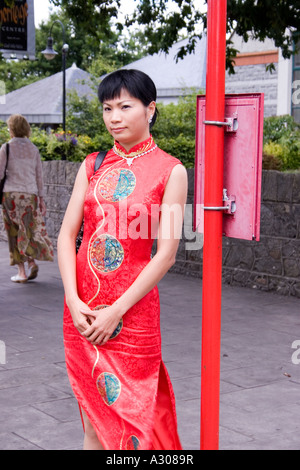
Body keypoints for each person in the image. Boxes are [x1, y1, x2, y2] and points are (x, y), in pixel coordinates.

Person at [57, 69, 188, 450]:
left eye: (125, 106)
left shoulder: (171, 171)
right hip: (81, 312)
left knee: (134, 423)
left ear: (150, 110)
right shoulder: (92, 165)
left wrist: (117, 310)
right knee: (94, 424)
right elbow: (66, 236)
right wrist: (72, 299)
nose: (114, 117)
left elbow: (166, 255)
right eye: (107, 108)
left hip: (132, 318)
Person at [0, 114, 54, 283]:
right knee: (28, 230)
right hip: (30, 195)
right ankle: (31, 262)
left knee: (14, 232)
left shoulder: (6, 148)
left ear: (12, 129)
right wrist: (42, 199)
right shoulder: (34, 149)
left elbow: (0, 173)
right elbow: (39, 177)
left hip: (10, 196)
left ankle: (22, 272)